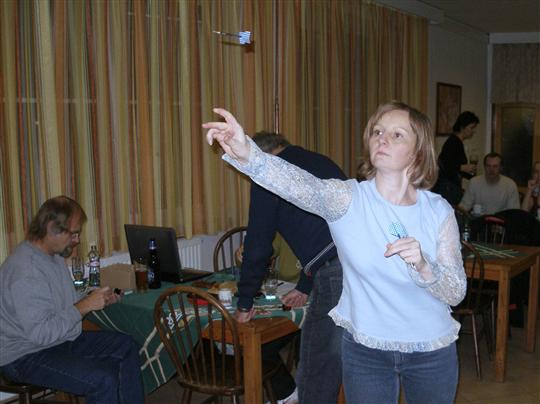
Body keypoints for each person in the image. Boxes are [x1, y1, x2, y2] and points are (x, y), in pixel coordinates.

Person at [203, 102, 467, 404]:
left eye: (397, 135)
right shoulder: (347, 198)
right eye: (378, 131)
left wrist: (424, 265)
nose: (382, 138)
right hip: (367, 351)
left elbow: (456, 292)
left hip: (430, 351)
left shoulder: (438, 211)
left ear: (418, 152)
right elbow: (297, 184)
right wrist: (248, 153)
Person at [232, 131, 347, 404]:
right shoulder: (320, 161)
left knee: (317, 362)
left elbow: (257, 246)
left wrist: (245, 303)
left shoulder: (267, 174)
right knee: (334, 355)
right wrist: (305, 285)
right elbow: (320, 227)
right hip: (359, 261)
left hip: (336, 271)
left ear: (257, 155)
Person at [0, 196, 144, 404]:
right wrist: (85, 306)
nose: (77, 240)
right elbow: (41, 334)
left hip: (58, 341)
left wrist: (95, 298)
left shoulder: (52, 255)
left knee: (127, 346)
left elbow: (64, 302)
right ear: (52, 228)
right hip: (23, 356)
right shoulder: (26, 271)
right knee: (103, 379)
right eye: (74, 233)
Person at [433, 111, 479, 205]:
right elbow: (444, 164)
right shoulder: (453, 142)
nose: (474, 131)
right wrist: (462, 167)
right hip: (447, 189)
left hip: (450, 187)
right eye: (471, 127)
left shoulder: (457, 142)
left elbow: (457, 167)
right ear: (462, 127)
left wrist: (473, 176)